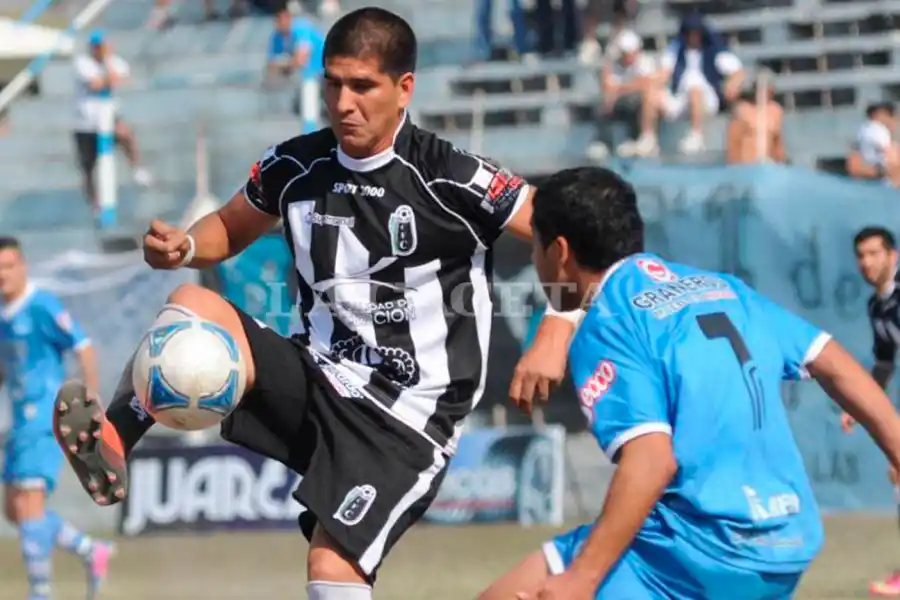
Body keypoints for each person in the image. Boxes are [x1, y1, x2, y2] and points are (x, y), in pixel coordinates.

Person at [52, 7, 576, 599]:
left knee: (332, 565)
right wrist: (187, 246)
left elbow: (569, 233)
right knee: (193, 304)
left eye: (362, 86)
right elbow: (230, 226)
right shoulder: (296, 164)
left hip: (406, 419)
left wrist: (557, 327)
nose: (343, 103)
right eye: (333, 84)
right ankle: (115, 440)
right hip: (319, 377)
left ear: (404, 88)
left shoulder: (450, 175)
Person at [478, 166, 900, 600]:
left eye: (535, 247)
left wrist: (581, 580)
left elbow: (651, 461)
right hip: (790, 538)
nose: (534, 260)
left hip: (700, 550)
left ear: (559, 252)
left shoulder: (608, 323)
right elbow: (834, 362)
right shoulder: (723, 288)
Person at [0, 237, 113, 600]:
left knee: (29, 505)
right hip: (19, 422)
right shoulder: (4, 315)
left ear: (23, 267)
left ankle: (41, 592)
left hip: (45, 419)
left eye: (9, 265)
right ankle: (89, 550)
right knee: (15, 511)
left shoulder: (41, 306)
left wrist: (90, 396)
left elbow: (84, 346)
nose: (3, 274)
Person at [842, 226, 900, 597]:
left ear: (893, 255)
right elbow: (884, 362)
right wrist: (859, 403)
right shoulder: (877, 306)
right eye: (861, 255)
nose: (867, 262)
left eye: (874, 253)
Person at [72, 30, 153, 215]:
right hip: (85, 122)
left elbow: (120, 78)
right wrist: (109, 78)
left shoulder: (115, 61)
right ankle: (94, 203)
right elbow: (96, 84)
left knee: (126, 134)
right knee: (88, 167)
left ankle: (137, 168)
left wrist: (107, 64)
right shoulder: (83, 63)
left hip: (109, 116)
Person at [725, 84, 787, 164]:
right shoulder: (743, 110)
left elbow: (777, 140)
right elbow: (733, 142)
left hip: (767, 164)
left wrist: (781, 161)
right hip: (746, 165)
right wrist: (735, 166)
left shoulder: (775, 110)